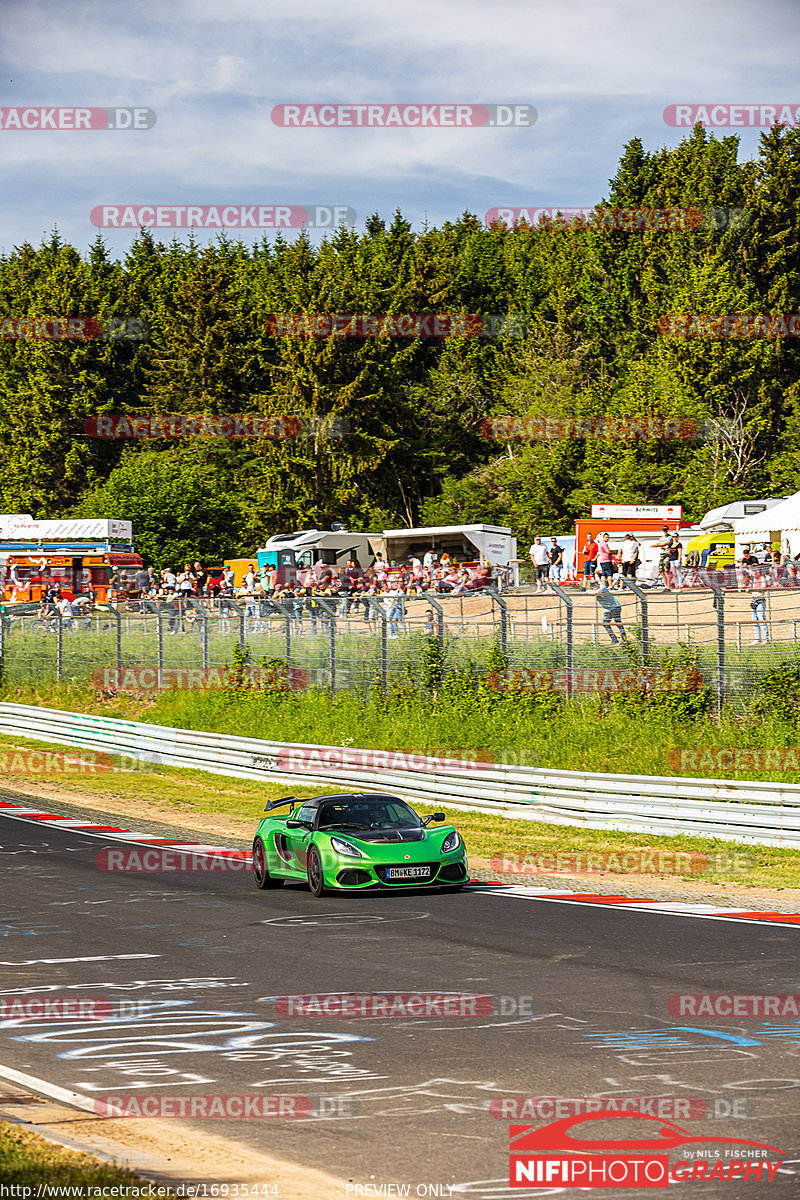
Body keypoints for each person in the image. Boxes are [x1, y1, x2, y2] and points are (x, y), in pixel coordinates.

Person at [595, 579, 626, 644]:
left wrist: (589, 591)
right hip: (609, 608)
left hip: (614, 607)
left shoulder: (602, 587)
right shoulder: (596, 589)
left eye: (595, 584)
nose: (594, 586)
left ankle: (620, 639)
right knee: (613, 623)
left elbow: (597, 592)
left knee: (611, 623)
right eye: (592, 585)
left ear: (598, 584)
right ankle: (621, 639)